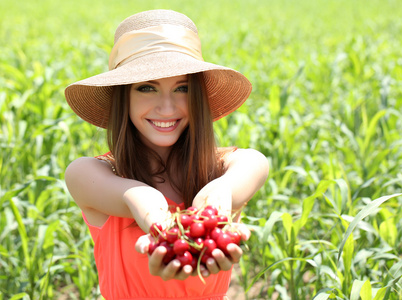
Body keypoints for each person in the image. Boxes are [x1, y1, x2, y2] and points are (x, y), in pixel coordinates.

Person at [64, 9, 269, 300]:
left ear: (197, 96)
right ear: (124, 97)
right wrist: (159, 222)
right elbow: (134, 195)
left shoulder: (223, 170)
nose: (167, 108)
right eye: (147, 88)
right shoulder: (89, 174)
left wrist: (216, 198)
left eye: (182, 88)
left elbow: (255, 163)